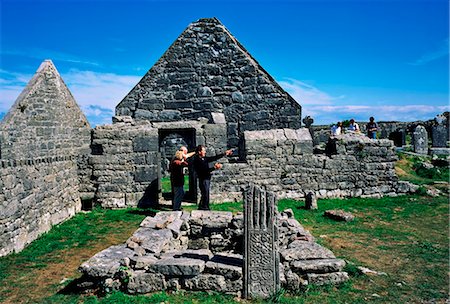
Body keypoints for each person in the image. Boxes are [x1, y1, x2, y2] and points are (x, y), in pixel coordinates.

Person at [193, 145, 233, 210]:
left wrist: (224, 154)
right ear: (199, 152)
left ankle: (203, 207)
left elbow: (213, 158)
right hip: (203, 178)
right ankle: (204, 207)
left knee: (205, 194)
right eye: (204, 150)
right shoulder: (197, 160)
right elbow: (203, 170)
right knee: (205, 193)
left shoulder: (203, 158)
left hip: (206, 178)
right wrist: (215, 167)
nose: (205, 152)